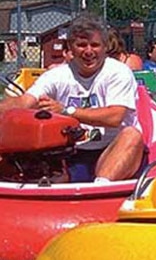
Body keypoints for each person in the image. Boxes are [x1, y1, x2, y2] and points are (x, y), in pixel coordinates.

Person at [0, 15, 146, 183]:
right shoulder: (56, 75)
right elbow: (26, 102)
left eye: (95, 45)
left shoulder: (118, 72)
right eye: (82, 45)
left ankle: (100, 189)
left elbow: (115, 117)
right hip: (72, 153)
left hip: (114, 149)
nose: (89, 51)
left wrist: (66, 111)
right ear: (70, 47)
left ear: (105, 47)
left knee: (132, 135)